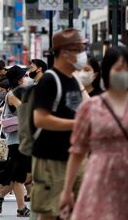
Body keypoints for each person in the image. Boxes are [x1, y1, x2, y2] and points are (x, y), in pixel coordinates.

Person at [59, 46, 128, 220]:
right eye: (118, 68)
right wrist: (67, 191)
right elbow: (77, 151)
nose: (123, 73)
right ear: (107, 70)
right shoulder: (91, 107)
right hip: (98, 179)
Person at [30, 28, 87, 220]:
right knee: (49, 213)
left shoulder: (72, 80)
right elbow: (40, 119)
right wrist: (77, 124)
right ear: (64, 52)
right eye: (79, 49)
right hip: (50, 159)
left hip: (72, 158)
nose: (83, 54)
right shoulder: (50, 79)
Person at [0, 66, 30, 217]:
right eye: (24, 76)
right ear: (19, 78)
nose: (25, 78)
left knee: (19, 175)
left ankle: (0, 194)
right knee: (19, 176)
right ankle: (21, 208)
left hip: (22, 139)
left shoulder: (18, 92)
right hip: (16, 140)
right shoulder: (12, 94)